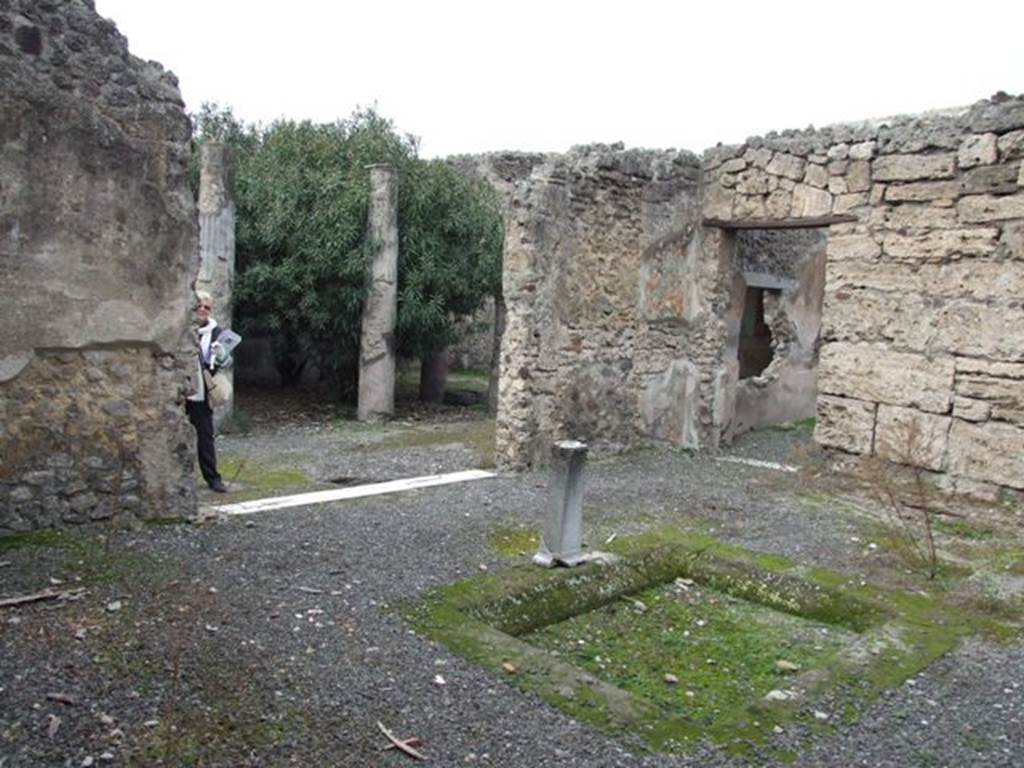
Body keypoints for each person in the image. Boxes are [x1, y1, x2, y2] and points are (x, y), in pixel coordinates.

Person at [186, 291, 232, 493]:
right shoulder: (184, 330)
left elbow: (228, 362)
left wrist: (221, 356)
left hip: (202, 391)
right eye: (199, 306)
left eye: (207, 307)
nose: (203, 310)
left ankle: (213, 478)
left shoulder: (217, 332)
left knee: (205, 435)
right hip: (181, 388)